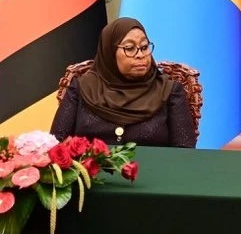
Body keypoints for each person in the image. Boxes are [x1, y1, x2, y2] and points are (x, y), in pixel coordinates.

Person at [50, 17, 197, 148]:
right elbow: (56, 145)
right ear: (109, 52)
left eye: (144, 47)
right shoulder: (81, 88)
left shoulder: (169, 90)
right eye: (129, 48)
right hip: (91, 176)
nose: (140, 55)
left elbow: (184, 152)